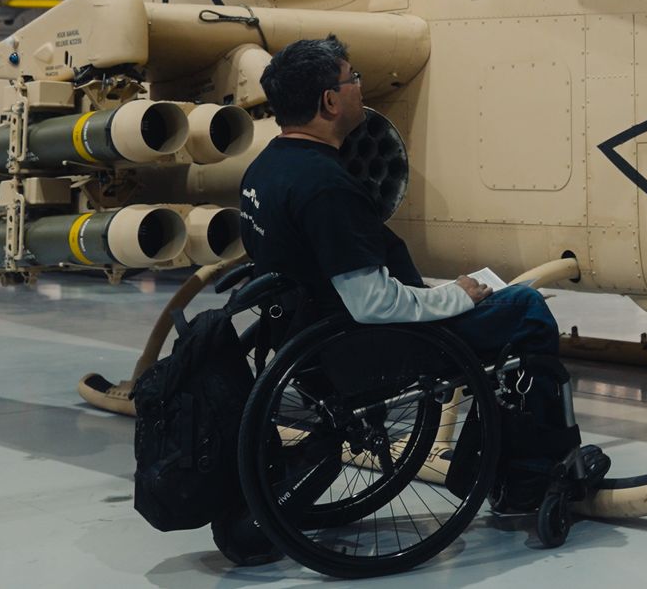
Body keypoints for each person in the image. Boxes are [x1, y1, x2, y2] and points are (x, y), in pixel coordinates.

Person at [218, 37, 583, 564]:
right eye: (352, 77)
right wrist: (454, 296)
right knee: (526, 310)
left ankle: (511, 460)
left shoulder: (265, 171)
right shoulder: (325, 187)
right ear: (329, 101)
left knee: (496, 301)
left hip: (306, 342)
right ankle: (529, 473)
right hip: (372, 348)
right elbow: (372, 305)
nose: (360, 86)